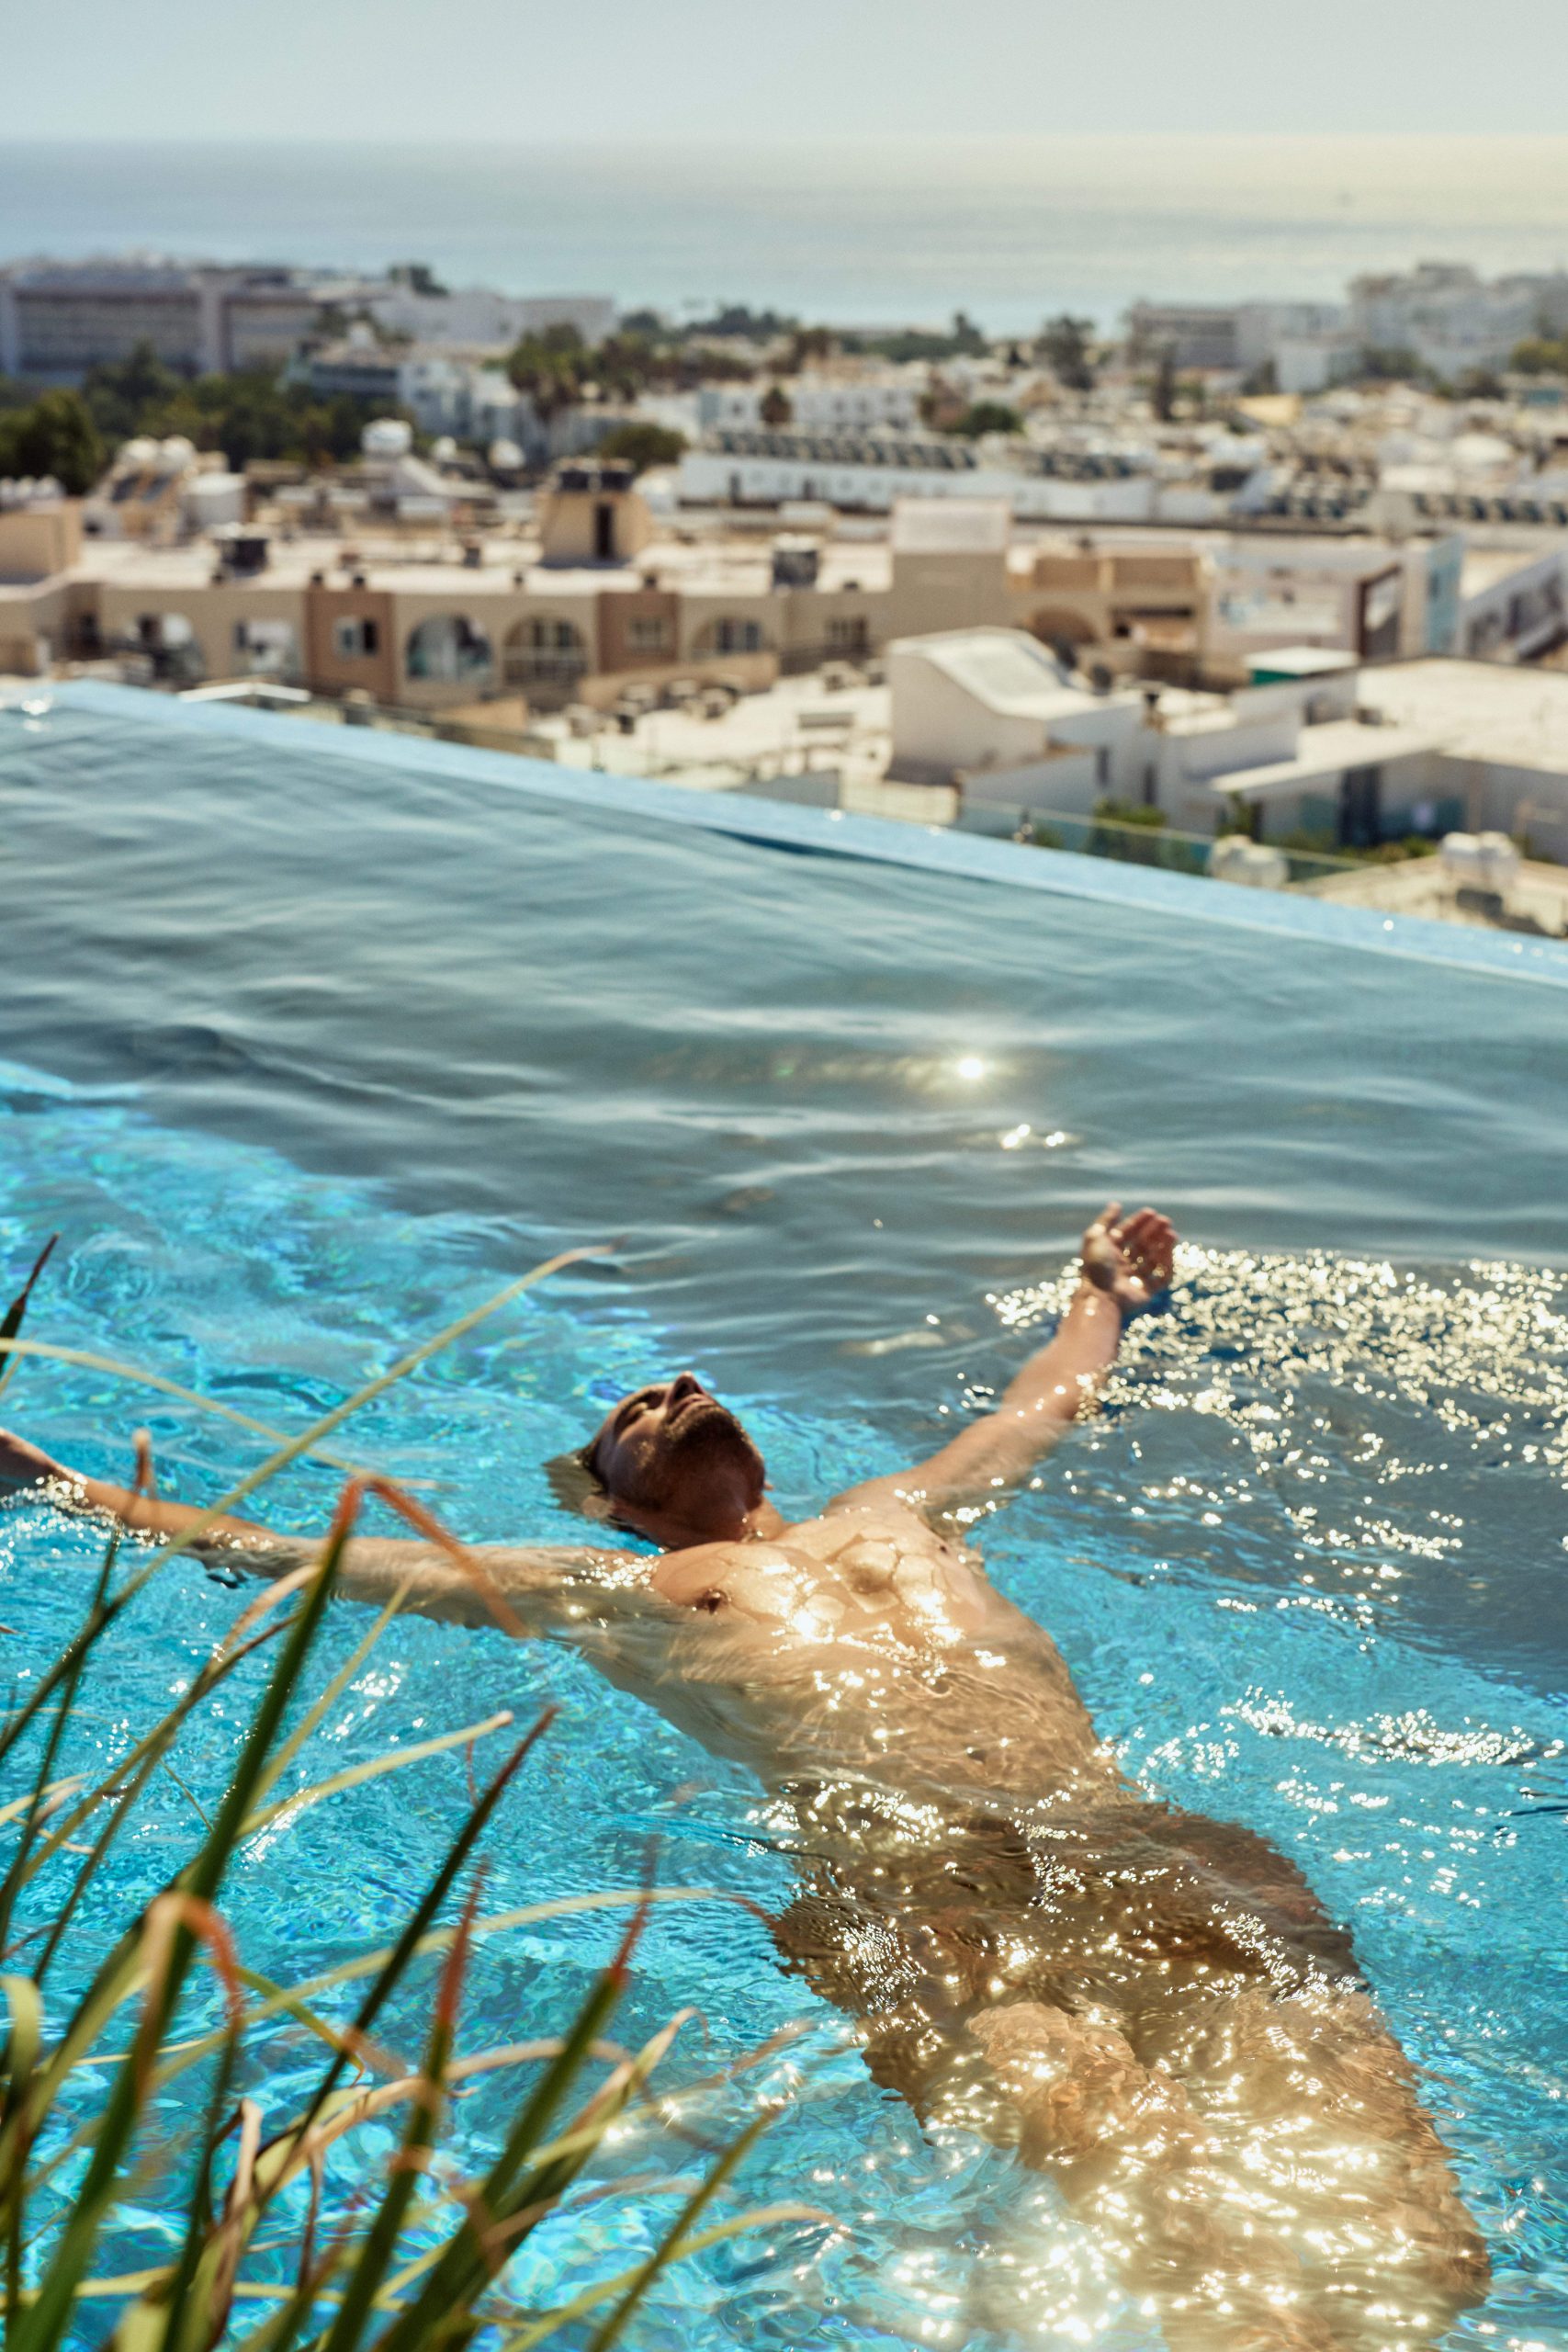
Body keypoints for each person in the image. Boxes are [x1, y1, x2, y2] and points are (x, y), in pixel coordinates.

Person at [0, 1204, 1485, 2351]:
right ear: (612, 1500)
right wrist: (43, 1479)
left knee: (1422, 2232)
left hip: (1140, 1842)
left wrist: (1103, 1292)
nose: (672, 1385)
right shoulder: (611, 1588)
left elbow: (1041, 1406)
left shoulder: (904, 1513)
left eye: (674, 1384)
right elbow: (293, 1554)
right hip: (920, 1894)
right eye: (630, 1414)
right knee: (1144, 2183)